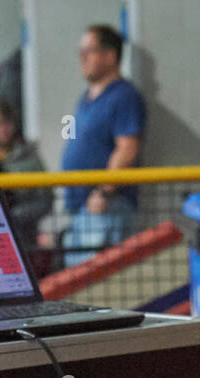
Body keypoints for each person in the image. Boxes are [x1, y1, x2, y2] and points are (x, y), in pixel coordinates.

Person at [61, 24, 146, 265]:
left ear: (110, 56)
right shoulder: (86, 98)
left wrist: (104, 191)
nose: (82, 58)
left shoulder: (124, 96)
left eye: (90, 51)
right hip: (82, 208)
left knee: (96, 285)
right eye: (81, 52)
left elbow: (127, 148)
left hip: (106, 207)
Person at [0, 99, 51, 251]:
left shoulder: (29, 157)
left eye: (5, 123)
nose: (1, 129)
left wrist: (14, 216)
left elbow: (46, 199)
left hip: (23, 238)